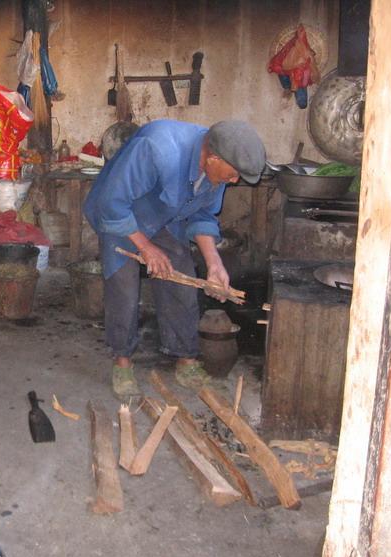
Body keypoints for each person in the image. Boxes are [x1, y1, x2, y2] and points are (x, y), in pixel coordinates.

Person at [84, 119, 266, 399]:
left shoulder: (215, 166)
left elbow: (203, 215)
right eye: (233, 175)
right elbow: (112, 203)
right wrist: (145, 246)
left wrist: (214, 263)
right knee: (124, 286)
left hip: (160, 216)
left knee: (180, 273)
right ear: (214, 157)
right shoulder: (158, 149)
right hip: (120, 215)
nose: (234, 181)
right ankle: (122, 363)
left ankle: (186, 360)